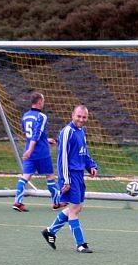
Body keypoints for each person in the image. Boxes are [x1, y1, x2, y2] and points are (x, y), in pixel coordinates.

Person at [41, 105, 98, 253]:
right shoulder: (67, 132)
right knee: (74, 209)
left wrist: (91, 166)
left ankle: (50, 231)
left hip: (78, 175)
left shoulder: (81, 131)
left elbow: (83, 152)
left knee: (77, 207)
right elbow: (63, 158)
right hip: (70, 176)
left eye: (84, 117)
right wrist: (65, 180)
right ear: (72, 115)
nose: (81, 119)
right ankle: (81, 244)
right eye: (79, 116)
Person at [12, 92, 58, 212]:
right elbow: (36, 134)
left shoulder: (25, 116)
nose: (44, 103)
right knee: (50, 176)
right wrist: (31, 149)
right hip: (41, 153)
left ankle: (17, 202)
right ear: (39, 102)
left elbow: (30, 134)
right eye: (43, 101)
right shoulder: (41, 116)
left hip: (30, 153)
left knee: (25, 177)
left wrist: (45, 140)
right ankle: (56, 202)